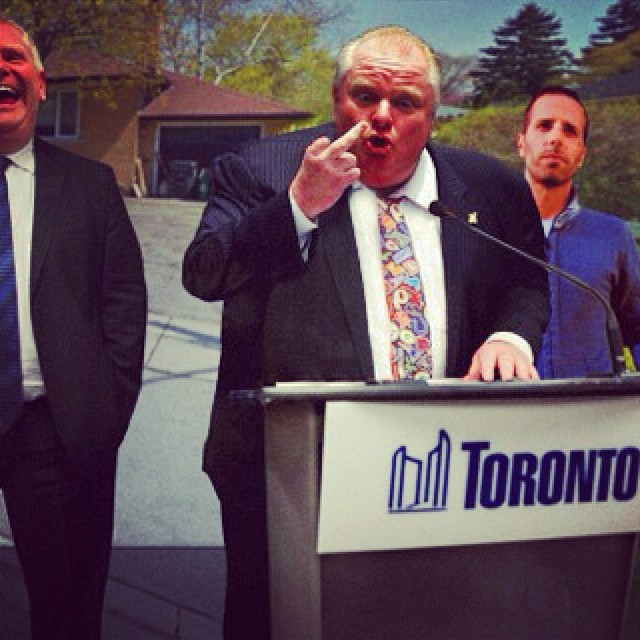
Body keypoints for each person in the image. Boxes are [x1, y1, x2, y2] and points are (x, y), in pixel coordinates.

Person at [183, 26, 549, 639]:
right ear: (335, 98)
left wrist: (510, 336)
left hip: (438, 470)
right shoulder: (260, 169)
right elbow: (204, 273)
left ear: (432, 116)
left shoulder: (492, 187)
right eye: (364, 96)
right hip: (291, 474)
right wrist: (298, 205)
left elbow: (528, 280)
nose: (381, 116)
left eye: (404, 103)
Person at [0, 19, 147, 639]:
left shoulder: (89, 186)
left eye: (11, 57)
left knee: (65, 611)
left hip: (52, 430)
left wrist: (103, 409)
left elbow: (124, 301)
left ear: (39, 82)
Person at [516, 85, 640, 378]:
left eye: (570, 131)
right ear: (521, 143)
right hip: (507, 402)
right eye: (544, 126)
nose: (555, 138)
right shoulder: (486, 231)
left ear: (582, 155)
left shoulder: (613, 236)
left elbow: (637, 327)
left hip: (591, 403)